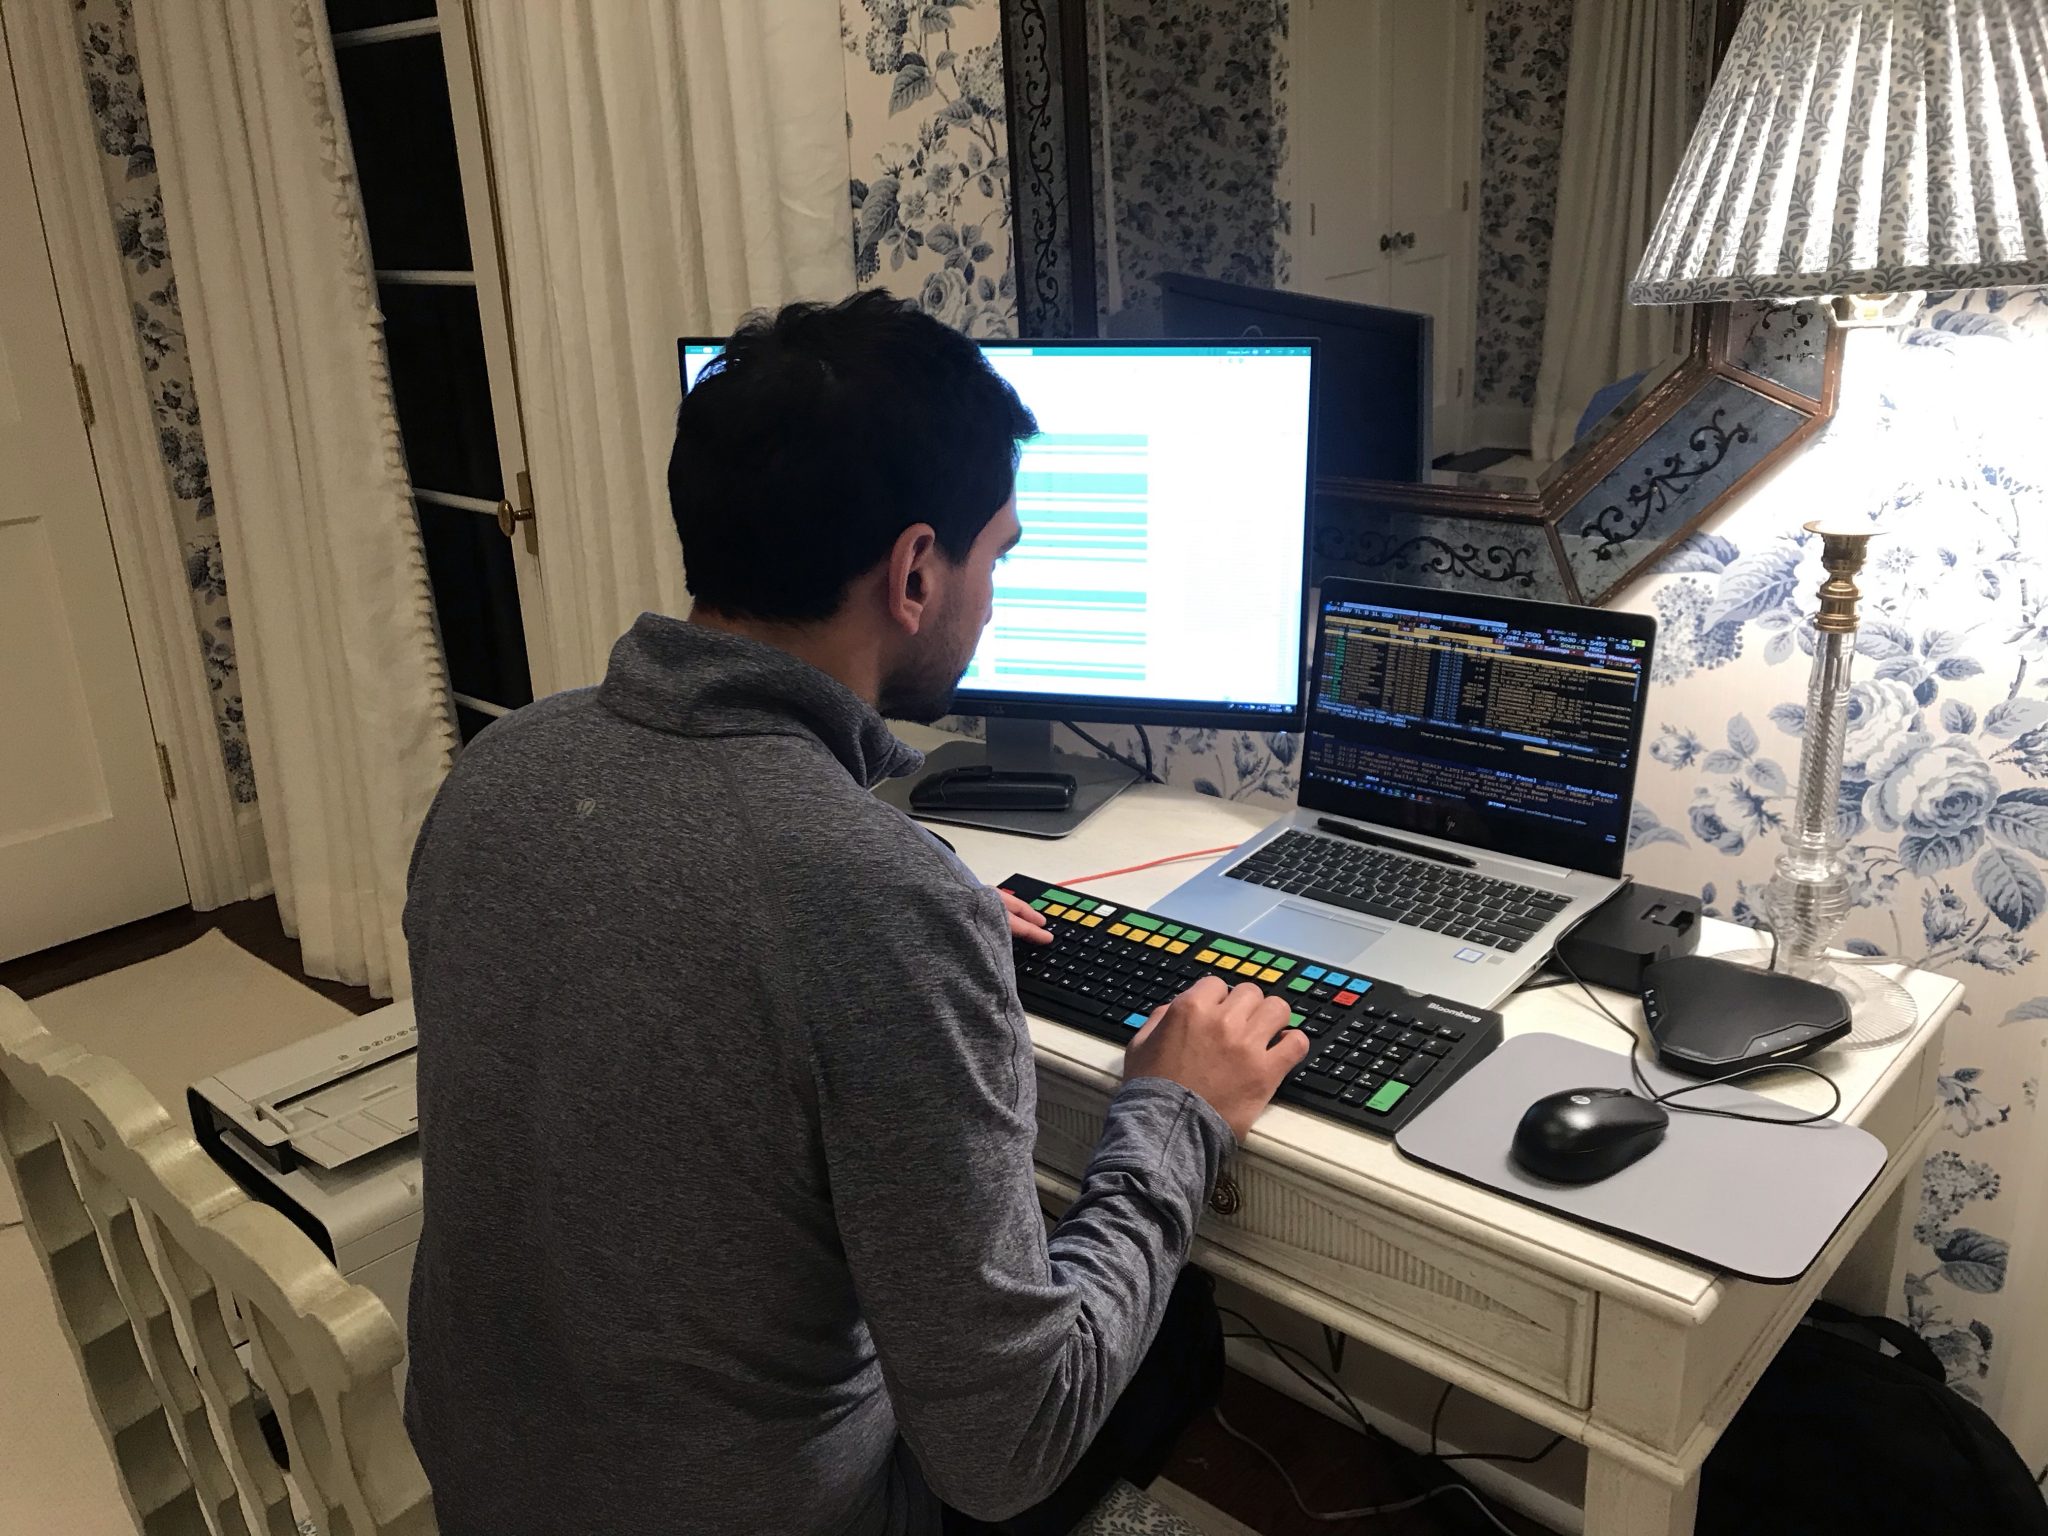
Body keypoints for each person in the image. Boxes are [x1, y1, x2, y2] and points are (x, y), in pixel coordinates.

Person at [401, 291, 1308, 1535]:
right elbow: (1006, 1447)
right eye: (998, 558)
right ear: (916, 571)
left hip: (488, 1489)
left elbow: (686, 948)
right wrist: (1175, 1115)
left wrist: (901, 915)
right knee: (1173, 1326)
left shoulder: (501, 767)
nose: (992, 597)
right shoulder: (870, 896)